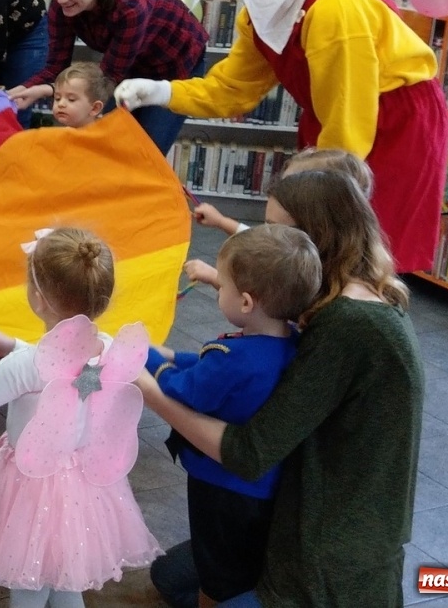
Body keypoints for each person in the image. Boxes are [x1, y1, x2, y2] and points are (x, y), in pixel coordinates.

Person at [119, 0, 448, 274]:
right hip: (336, 120)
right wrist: (159, 92)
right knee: (319, 252)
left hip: (392, 122)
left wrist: (318, 199)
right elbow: (232, 91)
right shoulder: (261, 14)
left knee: (356, 253)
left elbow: (350, 132)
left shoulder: (334, 10)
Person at [135, 170, 424, 607]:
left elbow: (248, 452)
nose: (263, 237)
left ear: (313, 236)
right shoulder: (355, 294)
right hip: (309, 500)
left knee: (192, 581)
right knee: (173, 577)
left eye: (275, 228)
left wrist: (150, 391)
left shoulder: (348, 324)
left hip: (326, 546)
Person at [0, 227, 161, 608]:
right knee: (66, 576)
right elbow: (62, 366)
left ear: (38, 299)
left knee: (29, 583)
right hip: (83, 480)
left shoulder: (26, 366)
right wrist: (15, 345)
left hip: (30, 484)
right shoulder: (106, 347)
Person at [144, 225, 320, 608]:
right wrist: (176, 354)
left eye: (220, 286)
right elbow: (212, 364)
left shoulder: (235, 361)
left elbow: (188, 389)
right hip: (261, 488)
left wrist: (152, 361)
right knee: (240, 559)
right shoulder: (289, 343)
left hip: (221, 488)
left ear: (245, 303)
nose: (217, 290)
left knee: (216, 568)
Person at [5, 0, 207, 152]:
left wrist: (52, 91)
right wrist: (27, 89)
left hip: (176, 65)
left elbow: (109, 77)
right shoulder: (61, 5)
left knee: (146, 152)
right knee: (103, 144)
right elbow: (56, 67)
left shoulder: (130, 8)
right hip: (131, 64)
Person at [184, 147, 374, 290]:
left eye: (291, 186)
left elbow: (259, 304)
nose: (281, 191)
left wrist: (215, 277)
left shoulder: (303, 274)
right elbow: (263, 237)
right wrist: (220, 220)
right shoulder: (338, 249)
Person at [48, 62, 111, 129]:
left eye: (71, 99)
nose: (61, 104)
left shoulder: (102, 138)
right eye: (57, 98)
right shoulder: (58, 136)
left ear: (95, 108)